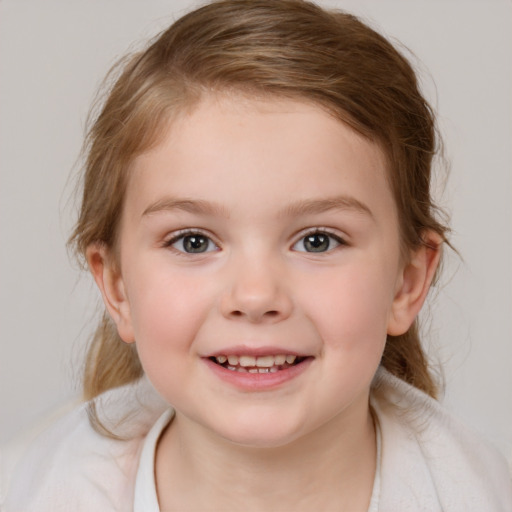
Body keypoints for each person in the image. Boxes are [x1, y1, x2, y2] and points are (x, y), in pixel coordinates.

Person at [2, 1, 511, 510]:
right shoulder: (29, 491)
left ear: (407, 281)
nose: (255, 296)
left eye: (318, 240)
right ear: (116, 286)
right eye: (193, 241)